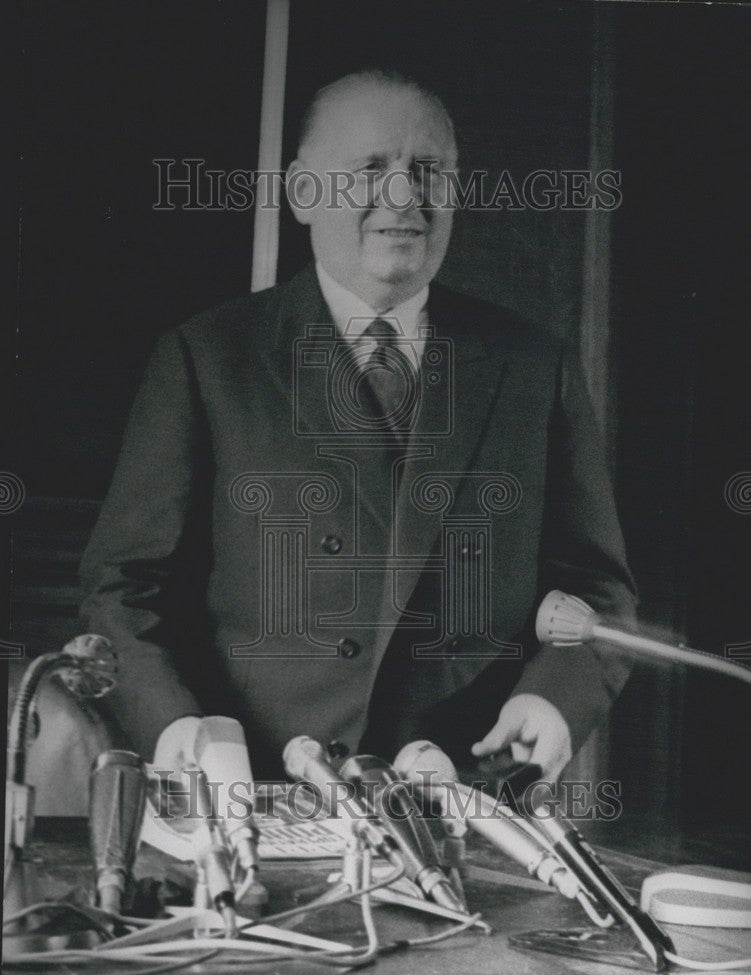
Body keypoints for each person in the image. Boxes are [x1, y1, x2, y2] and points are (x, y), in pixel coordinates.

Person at [78, 68, 637, 789]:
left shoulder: (532, 364)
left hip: (461, 796)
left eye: (427, 169)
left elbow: (596, 589)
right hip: (254, 793)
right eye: (370, 168)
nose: (402, 197)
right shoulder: (208, 356)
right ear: (303, 193)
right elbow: (122, 588)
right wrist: (178, 729)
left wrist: (554, 701)